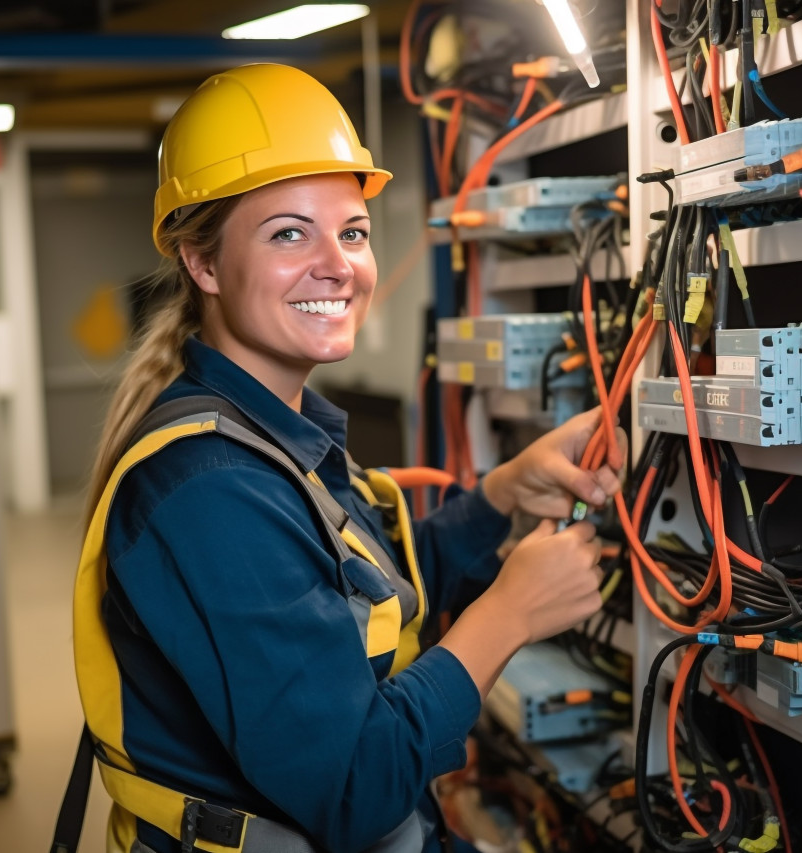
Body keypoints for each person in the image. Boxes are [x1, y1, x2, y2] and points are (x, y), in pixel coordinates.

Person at [72, 63, 626, 853]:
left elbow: (362, 610)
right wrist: (509, 615)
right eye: (289, 231)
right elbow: (356, 786)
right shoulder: (211, 491)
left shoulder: (271, 435)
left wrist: (502, 494)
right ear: (202, 263)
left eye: (353, 230)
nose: (337, 263)